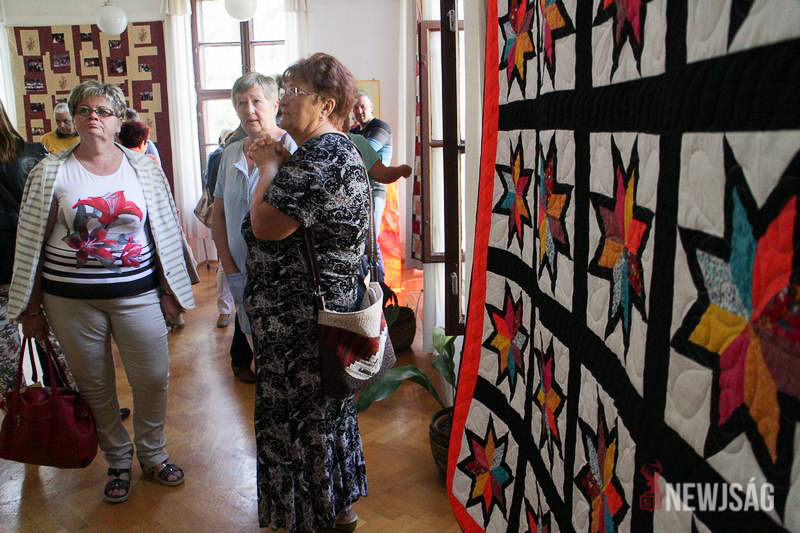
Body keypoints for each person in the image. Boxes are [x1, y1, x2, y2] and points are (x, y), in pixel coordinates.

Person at [8, 80, 196, 504]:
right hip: (69, 300)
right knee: (94, 384)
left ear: (118, 121)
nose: (93, 116)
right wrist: (31, 309)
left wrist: (169, 291)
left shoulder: (143, 167)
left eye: (103, 111)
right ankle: (117, 459)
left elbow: (165, 231)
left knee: (152, 377)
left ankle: (153, 454)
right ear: (73, 120)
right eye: (84, 110)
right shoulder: (50, 171)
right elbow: (30, 243)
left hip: (138, 294)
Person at [244, 53, 369, 532]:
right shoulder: (332, 151)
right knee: (326, 417)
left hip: (300, 323)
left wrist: (267, 167)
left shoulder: (321, 158)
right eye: (284, 89)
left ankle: (310, 516)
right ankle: (336, 509)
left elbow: (265, 226)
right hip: (320, 316)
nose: (283, 99)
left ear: (326, 104)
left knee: (303, 422)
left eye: (294, 91)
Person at [211, 73, 296, 384]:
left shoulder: (293, 149)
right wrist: (229, 266)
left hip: (284, 277)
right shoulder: (231, 153)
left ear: (275, 104)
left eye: (256, 101)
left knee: (285, 360)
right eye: (240, 103)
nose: (248, 110)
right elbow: (219, 216)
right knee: (256, 349)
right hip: (240, 270)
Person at [0, 100, 75, 394]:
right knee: (58, 348)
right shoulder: (34, 154)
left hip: (18, 266)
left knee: (8, 364)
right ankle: (75, 409)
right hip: (33, 263)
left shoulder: (34, 154)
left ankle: (26, 412)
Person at [350, 92, 394, 282]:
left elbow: (363, 153)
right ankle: (366, 288)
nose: (359, 111)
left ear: (371, 106)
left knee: (370, 241)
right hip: (358, 191)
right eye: (356, 107)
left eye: (363, 106)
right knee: (361, 240)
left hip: (374, 190)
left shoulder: (380, 127)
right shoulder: (354, 130)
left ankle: (380, 287)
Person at [202, 129, 235, 328]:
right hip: (226, 214)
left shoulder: (217, 154)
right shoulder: (220, 156)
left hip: (229, 213)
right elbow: (215, 188)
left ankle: (226, 310)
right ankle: (224, 310)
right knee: (225, 262)